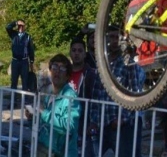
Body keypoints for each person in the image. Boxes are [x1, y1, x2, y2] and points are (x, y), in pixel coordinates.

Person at [90, 25, 143, 157]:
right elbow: (96, 93)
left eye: (117, 38)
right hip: (102, 123)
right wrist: (93, 120)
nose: (114, 41)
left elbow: (134, 94)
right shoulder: (102, 63)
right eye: (111, 37)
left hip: (121, 125)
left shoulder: (128, 63)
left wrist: (122, 119)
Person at [26, 54, 80, 157]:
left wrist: (44, 113)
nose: (57, 71)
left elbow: (70, 126)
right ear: (50, 71)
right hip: (45, 148)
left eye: (62, 68)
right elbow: (44, 125)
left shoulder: (70, 97)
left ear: (68, 76)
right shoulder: (49, 94)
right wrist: (31, 119)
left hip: (61, 152)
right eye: (54, 67)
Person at [68, 36, 97, 155]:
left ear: (85, 54)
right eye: (74, 50)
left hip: (84, 124)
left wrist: (93, 122)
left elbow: (95, 100)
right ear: (70, 53)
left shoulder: (91, 74)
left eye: (80, 51)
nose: (76, 54)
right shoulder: (64, 73)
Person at [6, 19, 35, 91]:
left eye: (22, 26)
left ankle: (24, 100)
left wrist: (31, 62)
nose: (21, 28)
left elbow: (31, 49)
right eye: (19, 26)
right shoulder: (13, 34)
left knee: (25, 82)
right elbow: (7, 27)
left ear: (24, 27)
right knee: (14, 82)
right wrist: (15, 22)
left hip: (24, 62)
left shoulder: (28, 37)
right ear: (17, 26)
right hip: (15, 61)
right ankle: (13, 100)